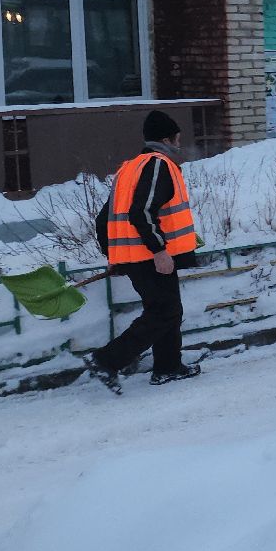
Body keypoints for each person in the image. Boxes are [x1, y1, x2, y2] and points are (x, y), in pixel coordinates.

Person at [80, 111, 202, 392]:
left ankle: (168, 367)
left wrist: (114, 256)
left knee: (168, 309)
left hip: (139, 257)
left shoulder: (130, 168)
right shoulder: (159, 165)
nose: (180, 145)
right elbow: (142, 212)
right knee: (164, 311)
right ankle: (106, 360)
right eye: (178, 139)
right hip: (151, 256)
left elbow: (104, 219)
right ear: (166, 139)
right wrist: (159, 249)